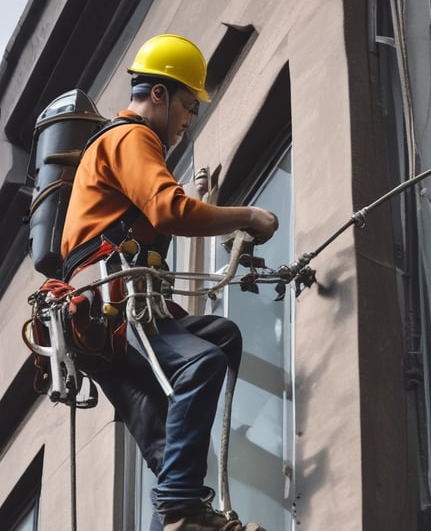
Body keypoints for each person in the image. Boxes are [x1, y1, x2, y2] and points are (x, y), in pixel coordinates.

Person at [60, 34, 277, 531]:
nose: (188, 121)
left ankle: (183, 510)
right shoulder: (131, 137)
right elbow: (169, 209)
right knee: (201, 363)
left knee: (219, 338)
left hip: (101, 321)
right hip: (113, 308)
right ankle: (180, 508)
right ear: (158, 94)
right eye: (186, 105)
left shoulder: (118, 146)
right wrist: (247, 216)